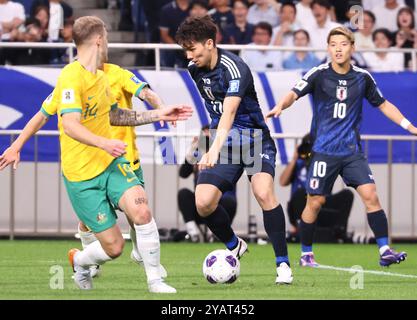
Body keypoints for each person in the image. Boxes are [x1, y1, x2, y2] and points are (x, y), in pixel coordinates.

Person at [0, 16, 193, 292]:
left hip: (110, 165)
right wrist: (103, 143)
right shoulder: (70, 78)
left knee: (141, 210)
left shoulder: (101, 78)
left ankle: (155, 280)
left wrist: (158, 113)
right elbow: (69, 124)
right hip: (81, 176)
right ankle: (80, 261)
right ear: (99, 40)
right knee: (113, 247)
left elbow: (116, 115)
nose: (108, 43)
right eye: (107, 38)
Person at [266, 26, 417, 268]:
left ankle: (385, 250)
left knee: (371, 196)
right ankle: (306, 254)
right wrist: (280, 106)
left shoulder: (363, 77)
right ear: (328, 48)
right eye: (333, 44)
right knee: (314, 202)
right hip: (324, 151)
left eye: (343, 44)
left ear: (352, 48)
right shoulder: (319, 73)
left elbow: (384, 104)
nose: (338, 48)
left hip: (351, 152)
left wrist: (410, 126)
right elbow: (294, 93)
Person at [176, 15, 293, 284]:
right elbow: (216, 111)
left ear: (209, 43)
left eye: (192, 49)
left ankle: (283, 265)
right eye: (185, 50)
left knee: (263, 192)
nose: (189, 56)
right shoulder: (194, 69)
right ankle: (234, 244)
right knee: (203, 203)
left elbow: (229, 111)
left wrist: (213, 148)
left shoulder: (236, 67)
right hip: (223, 141)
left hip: (253, 139)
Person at [279, 134, 354, 242]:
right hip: (302, 205)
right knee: (301, 193)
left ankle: (338, 230)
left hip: (321, 203)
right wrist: (295, 159)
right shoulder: (298, 164)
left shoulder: (325, 163)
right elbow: (282, 181)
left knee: (347, 194)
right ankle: (300, 228)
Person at [178, 125, 237, 242]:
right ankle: (193, 233)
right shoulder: (197, 156)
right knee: (183, 194)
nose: (206, 141)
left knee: (230, 201)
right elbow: (183, 173)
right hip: (200, 204)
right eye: (204, 137)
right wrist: (193, 148)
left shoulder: (225, 155)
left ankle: (217, 233)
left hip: (218, 204)